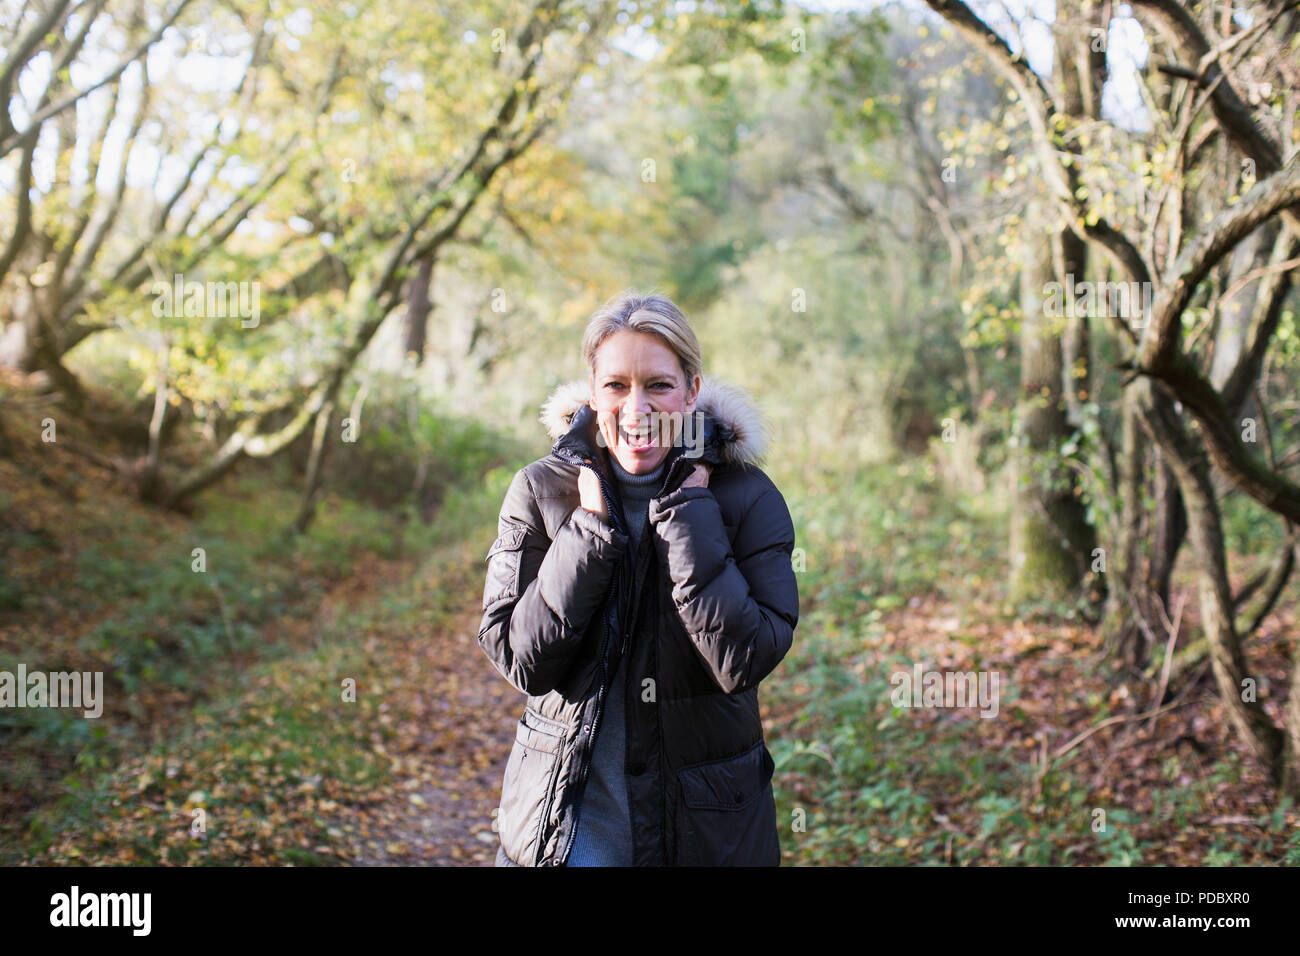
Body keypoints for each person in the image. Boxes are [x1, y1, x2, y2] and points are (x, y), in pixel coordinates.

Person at [478, 289, 800, 866]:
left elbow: (744, 658)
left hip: (705, 833)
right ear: (593, 390)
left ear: (692, 389)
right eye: (616, 386)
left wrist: (691, 516)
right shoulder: (541, 490)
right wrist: (589, 531)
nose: (636, 408)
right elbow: (519, 657)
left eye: (658, 385)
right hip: (569, 827)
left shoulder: (748, 499)